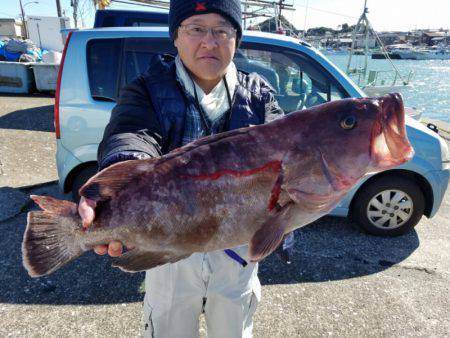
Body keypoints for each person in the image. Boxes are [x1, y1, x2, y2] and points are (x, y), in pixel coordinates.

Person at [78, 0, 292, 336]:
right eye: (196, 29)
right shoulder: (147, 88)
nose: (210, 41)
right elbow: (131, 133)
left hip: (236, 247)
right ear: (175, 37)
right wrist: (123, 176)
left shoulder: (259, 96)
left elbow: (287, 159)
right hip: (168, 243)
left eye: (222, 30)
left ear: (236, 39)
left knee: (234, 329)